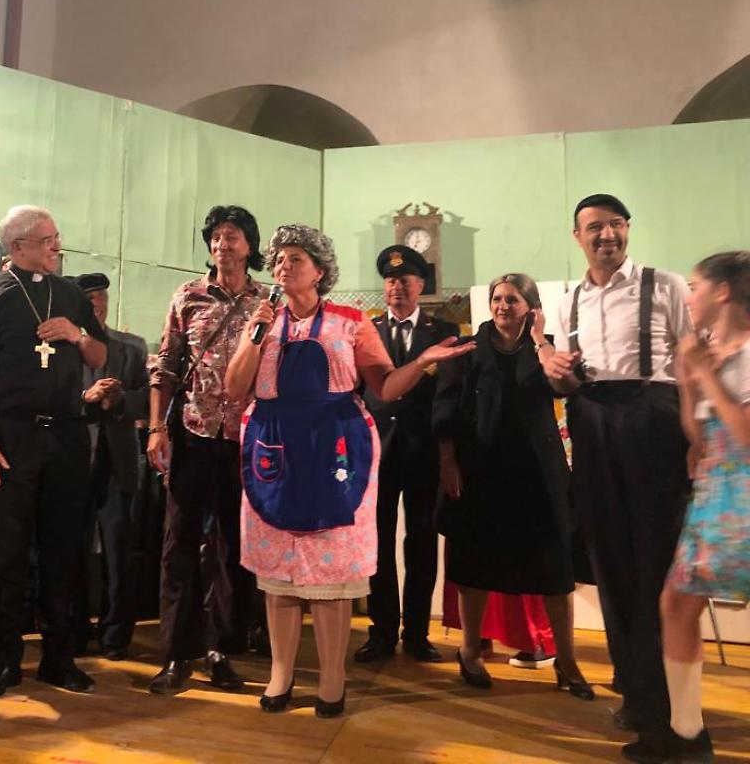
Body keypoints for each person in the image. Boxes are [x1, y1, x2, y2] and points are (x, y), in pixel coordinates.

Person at [226, 224, 472, 718]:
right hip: (276, 450)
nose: (284, 266)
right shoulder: (261, 321)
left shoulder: (352, 322)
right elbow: (235, 387)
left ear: (320, 271)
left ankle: (332, 680)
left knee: (332, 576)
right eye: (279, 259)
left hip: (333, 451)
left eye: (296, 258)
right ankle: (281, 674)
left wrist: (422, 361)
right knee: (279, 575)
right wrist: (255, 334)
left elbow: (385, 387)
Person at [541, 194, 693, 752]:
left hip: (655, 421)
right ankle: (634, 688)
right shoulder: (568, 302)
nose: (607, 235)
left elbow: (692, 364)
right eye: (595, 228)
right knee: (609, 561)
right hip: (593, 422)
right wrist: (557, 374)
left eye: (616, 225)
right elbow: (564, 384)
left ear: (627, 229)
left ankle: (670, 703)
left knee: (656, 562)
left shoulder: (666, 285)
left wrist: (696, 440)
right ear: (577, 237)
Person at [0, 205, 109, 699]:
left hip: (67, 436)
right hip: (10, 437)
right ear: (18, 247)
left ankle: (59, 660)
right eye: (47, 240)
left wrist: (76, 334)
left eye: (57, 237)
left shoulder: (71, 294)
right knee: (10, 553)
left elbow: (100, 355)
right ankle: (5, 662)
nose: (57, 247)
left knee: (64, 549)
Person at [432, 273, 592, 697]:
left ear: (531, 308)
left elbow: (564, 386)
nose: (503, 306)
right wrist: (448, 463)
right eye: (497, 299)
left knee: (555, 570)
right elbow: (444, 411)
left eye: (513, 300)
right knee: (473, 565)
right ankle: (470, 651)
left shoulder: (547, 348)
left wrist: (539, 339)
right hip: (480, 472)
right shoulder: (465, 350)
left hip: (538, 474)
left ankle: (568, 662)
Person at [146, 205, 267, 695]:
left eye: (232, 236)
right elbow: (166, 364)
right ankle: (177, 653)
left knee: (233, 547)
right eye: (216, 237)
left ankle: (222, 649)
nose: (222, 245)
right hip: (193, 431)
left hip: (247, 439)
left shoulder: (267, 302)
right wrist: (157, 428)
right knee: (179, 542)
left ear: (250, 246)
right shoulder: (188, 296)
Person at [639, 252, 750, 764]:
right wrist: (688, 382)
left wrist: (704, 372)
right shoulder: (714, 353)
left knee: (679, 601)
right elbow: (699, 437)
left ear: (722, 292)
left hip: (742, 495)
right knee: (678, 603)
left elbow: (745, 435)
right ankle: (686, 733)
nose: (688, 297)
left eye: (696, 285)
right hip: (713, 494)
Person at [355, 245, 460, 664]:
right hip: (376, 453)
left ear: (420, 285)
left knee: (421, 541)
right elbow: (356, 391)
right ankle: (381, 632)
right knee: (377, 542)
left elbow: (449, 396)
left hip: (423, 453)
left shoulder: (442, 331)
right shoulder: (367, 330)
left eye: (404, 280)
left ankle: (416, 633)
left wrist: (448, 454)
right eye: (390, 280)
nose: (396, 287)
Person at [71, 272, 149, 660]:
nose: (97, 305)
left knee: (120, 550)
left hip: (118, 459)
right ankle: (72, 629)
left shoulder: (132, 347)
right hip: (74, 458)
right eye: (89, 300)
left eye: (102, 297)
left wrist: (119, 400)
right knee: (73, 547)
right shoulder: (61, 348)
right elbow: (50, 397)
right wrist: (86, 397)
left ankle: (116, 634)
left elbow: (148, 398)